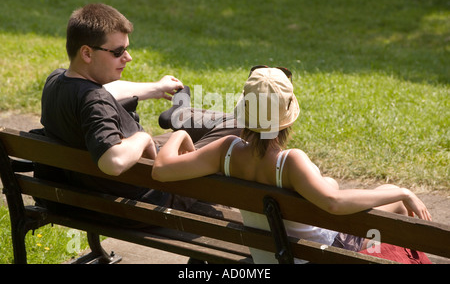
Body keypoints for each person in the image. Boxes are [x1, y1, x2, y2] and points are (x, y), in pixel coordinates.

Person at [152, 66, 432, 263]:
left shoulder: (224, 151)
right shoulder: (291, 161)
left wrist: (180, 133)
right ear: (288, 119)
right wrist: (401, 192)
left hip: (265, 254)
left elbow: (161, 170)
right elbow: (334, 203)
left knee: (337, 188)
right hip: (314, 254)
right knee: (392, 199)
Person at [39, 3, 240, 210]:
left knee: (194, 131)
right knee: (237, 128)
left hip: (94, 192)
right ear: (87, 54)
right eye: (118, 52)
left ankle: (181, 116)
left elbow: (108, 91)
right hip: (151, 193)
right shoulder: (95, 101)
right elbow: (114, 161)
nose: (128, 57)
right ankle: (182, 118)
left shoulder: (58, 81)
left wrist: (156, 88)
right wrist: (142, 139)